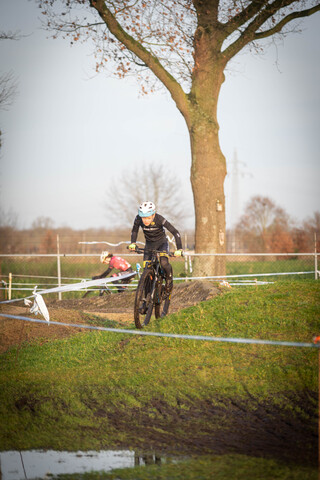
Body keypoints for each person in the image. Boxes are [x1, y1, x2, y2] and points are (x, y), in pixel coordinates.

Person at [129, 201, 183, 298]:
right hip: (149, 245)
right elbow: (134, 230)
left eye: (148, 218)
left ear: (153, 214)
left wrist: (179, 249)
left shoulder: (159, 219)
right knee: (146, 270)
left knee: (163, 262)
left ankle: (169, 280)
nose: (145, 220)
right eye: (143, 218)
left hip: (162, 243)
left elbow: (175, 232)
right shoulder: (138, 219)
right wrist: (133, 243)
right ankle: (146, 298)